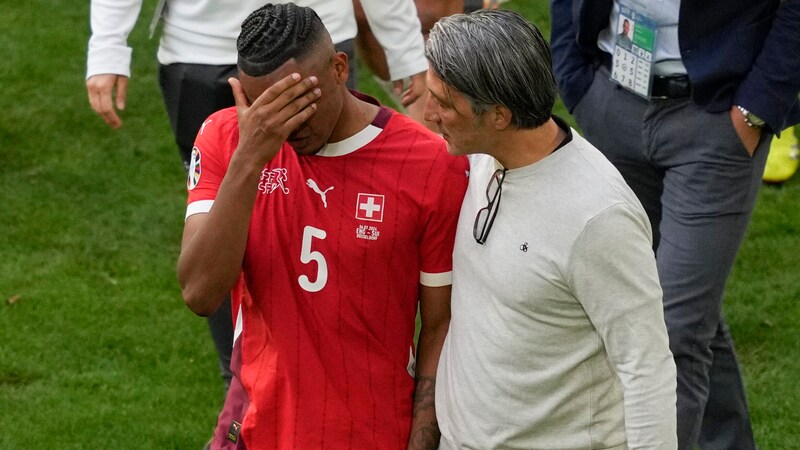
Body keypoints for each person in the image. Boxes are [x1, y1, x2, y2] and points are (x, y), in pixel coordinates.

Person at [86, 0, 431, 408]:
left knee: (338, 222)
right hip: (197, 55)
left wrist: (408, 53)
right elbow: (199, 287)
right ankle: (243, 394)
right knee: (216, 224)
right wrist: (107, 44)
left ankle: (336, 388)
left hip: (313, 49)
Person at [177, 3, 468, 449]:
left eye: (300, 102)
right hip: (251, 430)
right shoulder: (227, 139)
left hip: (369, 434)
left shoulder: (428, 164)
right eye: (268, 108)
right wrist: (250, 159)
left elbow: (440, 323)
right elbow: (199, 292)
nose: (288, 125)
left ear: (338, 68)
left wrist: (423, 439)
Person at [550, 1, 800, 448]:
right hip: (609, 97)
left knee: (673, 327)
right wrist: (574, 77)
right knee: (678, 310)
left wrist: (757, 107)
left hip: (714, 119)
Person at [423, 9, 677, 449]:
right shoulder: (484, 155)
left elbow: (646, 369)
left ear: (499, 115)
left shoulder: (598, 218)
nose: (428, 114)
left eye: (444, 103)